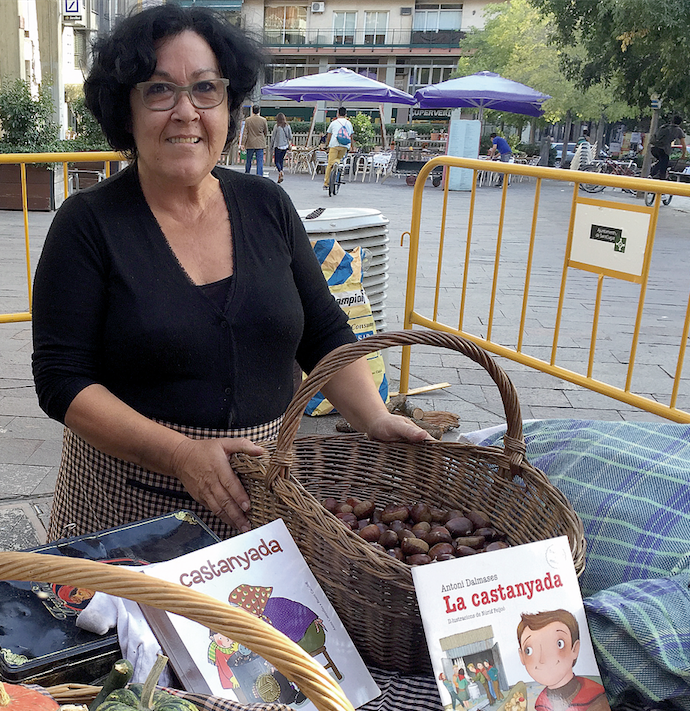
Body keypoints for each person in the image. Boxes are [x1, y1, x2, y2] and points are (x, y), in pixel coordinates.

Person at [30, 6, 428, 541]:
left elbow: (325, 335)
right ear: (126, 109)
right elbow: (63, 381)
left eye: (205, 89)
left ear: (229, 105)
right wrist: (181, 454)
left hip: (258, 497)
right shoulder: (88, 224)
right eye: (159, 90)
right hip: (126, 509)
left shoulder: (267, 205)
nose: (185, 111)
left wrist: (375, 420)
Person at [514, 608, 619, 711]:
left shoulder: (595, 699)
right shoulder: (541, 706)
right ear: (521, 656)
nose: (543, 659)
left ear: (575, 649)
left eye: (559, 644)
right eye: (530, 650)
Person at [322, 106, 354, 190]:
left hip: (334, 144)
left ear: (338, 113)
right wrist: (351, 147)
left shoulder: (334, 123)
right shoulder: (349, 123)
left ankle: (326, 183)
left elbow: (329, 134)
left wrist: (327, 145)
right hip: (345, 145)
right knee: (339, 160)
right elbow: (351, 136)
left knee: (330, 164)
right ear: (346, 114)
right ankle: (337, 173)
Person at [649, 114, 687, 180]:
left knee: (662, 161)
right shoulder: (678, 130)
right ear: (680, 123)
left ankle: (654, 174)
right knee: (664, 164)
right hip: (663, 150)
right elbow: (683, 145)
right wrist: (683, 155)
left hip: (654, 148)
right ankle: (654, 176)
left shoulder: (663, 127)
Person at [241, 104, 268, 177]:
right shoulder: (263, 120)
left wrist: (243, 143)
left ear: (252, 111)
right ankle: (259, 175)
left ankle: (247, 173)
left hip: (250, 142)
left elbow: (245, 132)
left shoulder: (248, 120)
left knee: (248, 160)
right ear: (259, 111)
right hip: (260, 142)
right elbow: (265, 131)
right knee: (260, 161)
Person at [271, 112, 293, 184]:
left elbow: (273, 137)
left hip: (278, 145)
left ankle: (280, 171)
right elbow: (290, 137)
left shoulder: (276, 126)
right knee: (281, 160)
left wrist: (271, 146)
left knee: (276, 161)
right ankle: (280, 175)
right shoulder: (287, 126)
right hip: (285, 146)